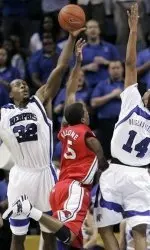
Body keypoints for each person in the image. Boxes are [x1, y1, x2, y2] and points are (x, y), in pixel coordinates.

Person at [2, 38, 108, 250]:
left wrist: (69, 38)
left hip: (44, 174)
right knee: (17, 237)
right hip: (20, 175)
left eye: (24, 84)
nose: (23, 86)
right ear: (9, 92)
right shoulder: (3, 113)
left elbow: (60, 68)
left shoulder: (38, 102)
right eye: (17, 85)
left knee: (49, 235)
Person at [93, 4, 150, 250]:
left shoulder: (132, 101)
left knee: (105, 228)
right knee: (138, 233)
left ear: (146, 97)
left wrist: (133, 30)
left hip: (116, 172)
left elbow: (129, 63)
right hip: (140, 175)